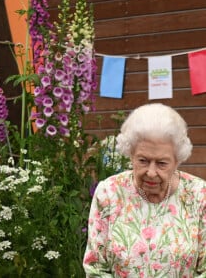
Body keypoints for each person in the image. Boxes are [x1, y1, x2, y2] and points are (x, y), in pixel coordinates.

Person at [83, 103, 206, 277]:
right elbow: (96, 267)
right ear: (131, 154)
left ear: (177, 160)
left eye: (162, 163)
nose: (151, 172)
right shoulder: (109, 193)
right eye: (143, 160)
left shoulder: (199, 194)